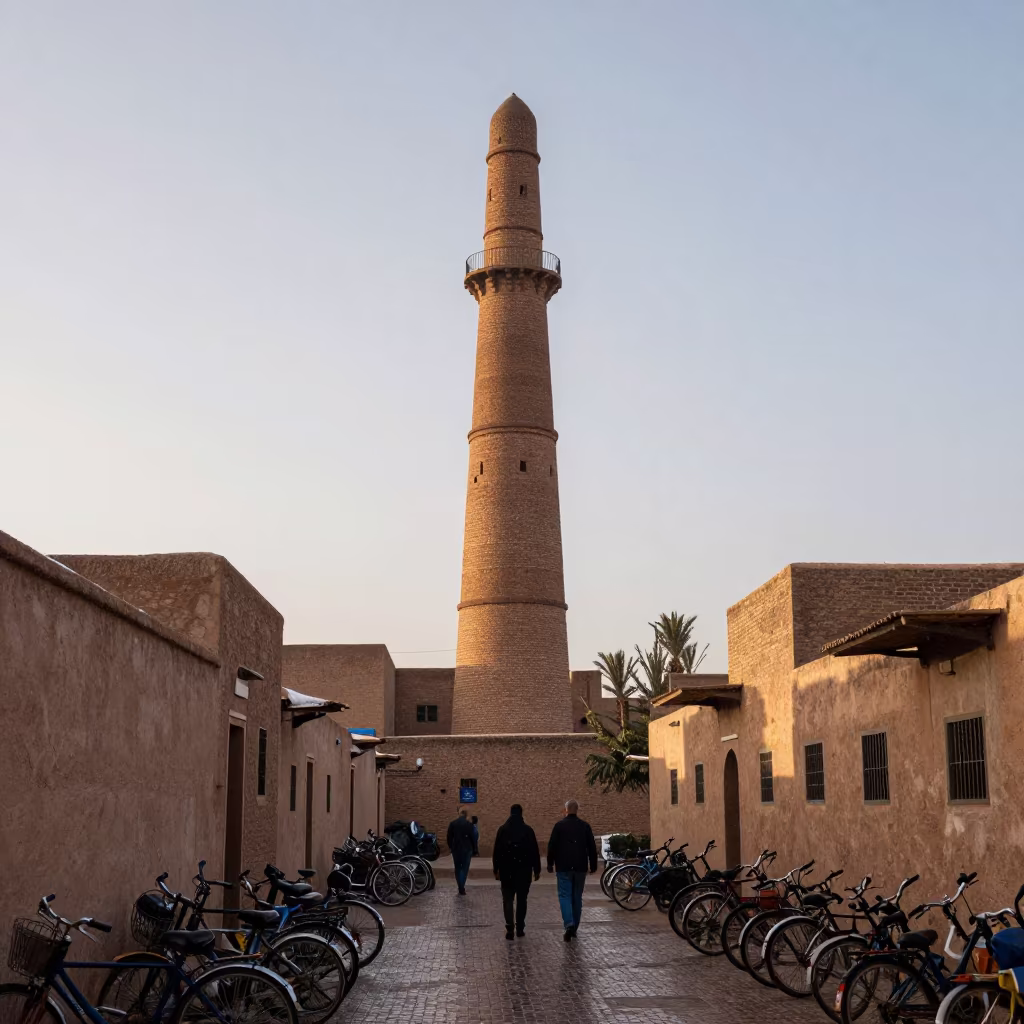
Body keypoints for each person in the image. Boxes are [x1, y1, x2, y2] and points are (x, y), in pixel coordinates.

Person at [546, 799, 597, 941]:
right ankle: (574, 927)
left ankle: (569, 923)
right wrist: (593, 865)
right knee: (577, 897)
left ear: (566, 810)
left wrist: (550, 863)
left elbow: (552, 846)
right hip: (580, 866)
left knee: (564, 895)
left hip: (563, 866)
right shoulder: (585, 826)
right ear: (577, 810)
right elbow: (592, 847)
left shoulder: (559, 826)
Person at [491, 804, 541, 939]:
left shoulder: (502, 830)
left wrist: (496, 869)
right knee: (522, 900)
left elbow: (496, 851)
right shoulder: (528, 830)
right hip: (523, 871)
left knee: (507, 899)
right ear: (521, 813)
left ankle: (509, 928)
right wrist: (537, 870)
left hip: (507, 871)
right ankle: (520, 927)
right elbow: (534, 852)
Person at [446, 807, 476, 895]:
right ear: (466, 815)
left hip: (456, 849)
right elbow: (473, 838)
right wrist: (475, 849)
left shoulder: (453, 824)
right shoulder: (469, 825)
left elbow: (449, 837)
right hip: (467, 849)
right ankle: (462, 886)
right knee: (464, 869)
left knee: (458, 868)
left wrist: (451, 847)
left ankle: (460, 886)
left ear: (459, 814)